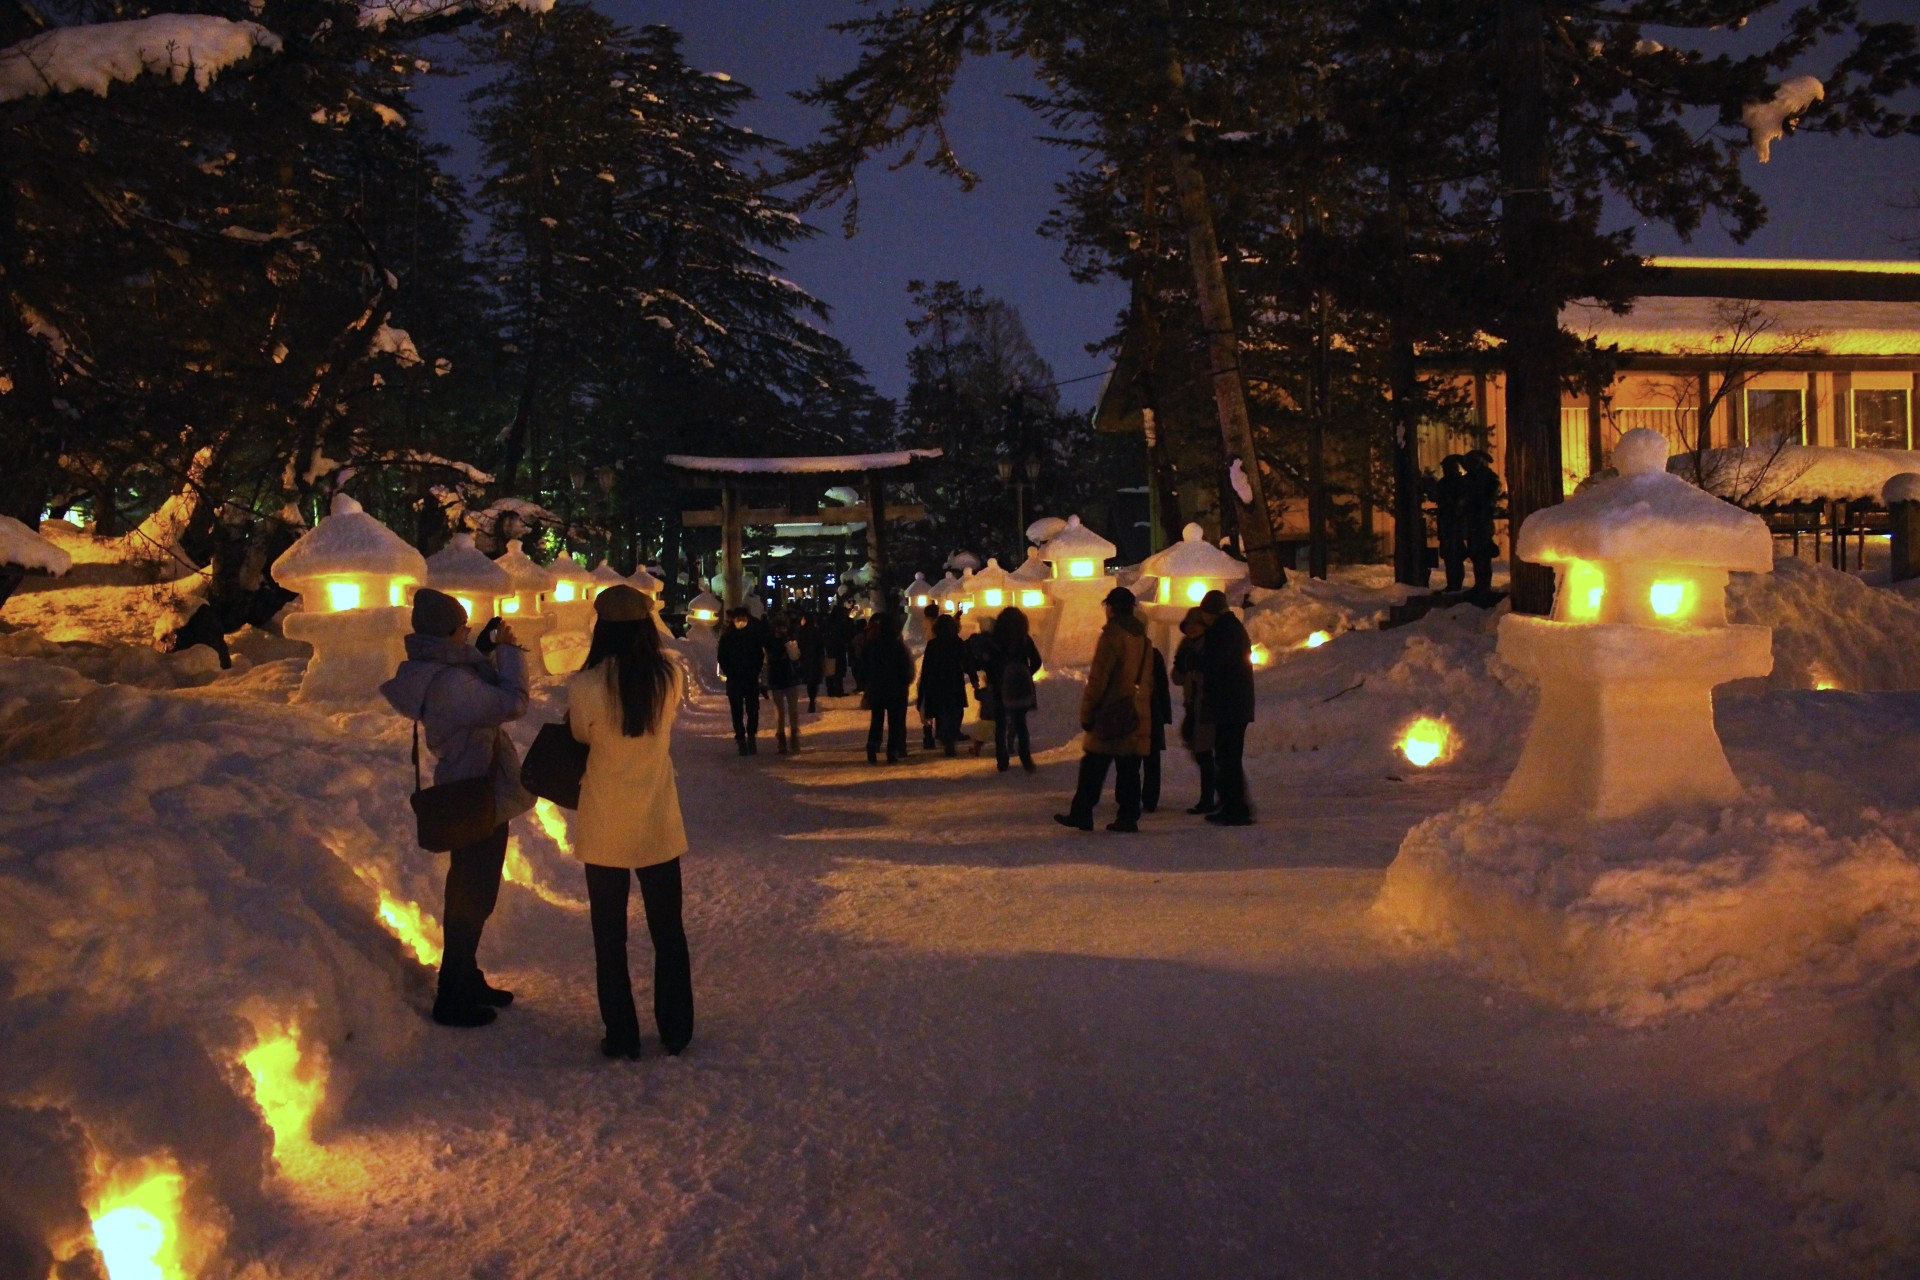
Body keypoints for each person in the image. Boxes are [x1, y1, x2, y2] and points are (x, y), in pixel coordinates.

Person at [380, 588, 533, 1028]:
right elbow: (511, 703)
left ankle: (466, 976)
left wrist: (482, 649)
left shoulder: (442, 670)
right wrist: (508, 653)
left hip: (473, 784)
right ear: (448, 632)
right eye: (463, 628)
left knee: (474, 888)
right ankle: (453, 991)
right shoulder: (448, 682)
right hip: (473, 793)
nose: (468, 632)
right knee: (471, 892)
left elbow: (474, 685)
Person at [565, 585, 693, 1061]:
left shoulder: (586, 685)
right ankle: (676, 1028)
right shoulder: (669, 677)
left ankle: (622, 1034)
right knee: (668, 930)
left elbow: (580, 735)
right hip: (658, 817)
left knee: (610, 935)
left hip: (605, 822)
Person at [1055, 587, 1154, 833]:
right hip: (1135, 710)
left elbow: (1099, 678)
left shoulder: (1112, 635)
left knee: (1093, 765)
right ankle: (1128, 816)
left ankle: (1082, 812)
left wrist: (1088, 713)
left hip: (1111, 711)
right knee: (1129, 768)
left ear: (1110, 607)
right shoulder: (1143, 638)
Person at [1196, 589, 1256, 826]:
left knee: (1227, 757)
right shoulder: (1233, 628)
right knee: (1229, 757)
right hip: (1236, 704)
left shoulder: (1222, 631)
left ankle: (1235, 808)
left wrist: (1199, 662)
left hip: (1229, 704)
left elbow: (1217, 664)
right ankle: (1233, 805)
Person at [1173, 607, 1217, 814]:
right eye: (1188, 626)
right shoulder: (1186, 646)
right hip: (1192, 705)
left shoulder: (1209, 645)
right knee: (1199, 751)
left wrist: (1195, 669)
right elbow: (1177, 678)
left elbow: (1210, 675)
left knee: (1204, 753)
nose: (1191, 629)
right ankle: (1212, 796)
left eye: (1195, 625)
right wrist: (1181, 666)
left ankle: (1209, 799)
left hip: (1206, 706)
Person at [987, 606, 1042, 773]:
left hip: (999, 684)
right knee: (1020, 723)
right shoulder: (1024, 639)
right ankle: (1025, 758)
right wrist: (1026, 673)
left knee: (1000, 724)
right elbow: (1037, 661)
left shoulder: (995, 640)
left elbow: (989, 664)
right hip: (1019, 686)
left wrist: (994, 679)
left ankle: (1002, 760)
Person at [861, 611, 915, 763]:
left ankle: (872, 747)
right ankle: (892, 751)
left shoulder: (871, 645)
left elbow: (863, 665)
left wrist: (867, 682)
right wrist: (904, 681)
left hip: (877, 687)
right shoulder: (897, 646)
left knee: (876, 719)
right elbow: (905, 667)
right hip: (895, 689)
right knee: (894, 721)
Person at [916, 613, 969, 756]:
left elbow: (927, 668)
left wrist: (922, 691)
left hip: (937, 683)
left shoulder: (933, 644)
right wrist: (974, 677)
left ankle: (946, 738)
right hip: (954, 682)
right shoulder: (957, 642)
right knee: (955, 711)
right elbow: (966, 661)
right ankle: (951, 737)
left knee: (941, 712)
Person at [716, 605, 765, 754]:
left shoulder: (753, 635)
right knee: (736, 711)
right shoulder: (727, 637)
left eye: (743, 619)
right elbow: (722, 657)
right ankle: (741, 738)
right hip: (735, 679)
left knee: (753, 710)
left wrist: (755, 671)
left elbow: (759, 655)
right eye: (739, 619)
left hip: (750, 678)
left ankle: (751, 736)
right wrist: (730, 671)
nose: (741, 622)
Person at [1460, 450, 1502, 599]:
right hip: (1473, 520)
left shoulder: (1488, 478)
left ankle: (1485, 585)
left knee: (1483, 553)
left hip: (1482, 520)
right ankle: (1480, 584)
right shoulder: (1470, 479)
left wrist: (1484, 506)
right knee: (1476, 554)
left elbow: (1492, 494)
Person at [765, 613, 805, 754]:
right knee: (787, 710)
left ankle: (785, 737)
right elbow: (796, 658)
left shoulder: (771, 642)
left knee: (782, 710)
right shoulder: (784, 641)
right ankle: (790, 737)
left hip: (780, 678)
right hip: (787, 677)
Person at [1143, 639, 1172, 814]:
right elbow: (1162, 686)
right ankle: (1149, 799)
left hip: (1143, 712)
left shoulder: (1150, 655)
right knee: (1151, 760)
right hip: (1153, 712)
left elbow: (1161, 686)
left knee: (1132, 759)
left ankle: (1134, 798)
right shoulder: (1153, 654)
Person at [1434, 454, 1468, 593]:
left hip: (1456, 525)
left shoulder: (1461, 483)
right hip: (1446, 525)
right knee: (1448, 556)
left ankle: (1456, 584)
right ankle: (1452, 583)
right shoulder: (1443, 483)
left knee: (1456, 556)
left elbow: (1461, 503)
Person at [919, 602, 943, 749]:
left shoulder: (927, 625)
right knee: (938, 704)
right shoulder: (938, 627)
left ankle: (928, 733)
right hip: (940, 673)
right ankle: (939, 731)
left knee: (928, 706)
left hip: (931, 673)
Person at [794, 610, 825, 712]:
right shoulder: (816, 630)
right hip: (815, 658)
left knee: (809, 680)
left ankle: (811, 699)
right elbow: (821, 645)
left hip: (805, 658)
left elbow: (798, 644)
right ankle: (812, 698)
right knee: (814, 680)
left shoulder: (801, 631)